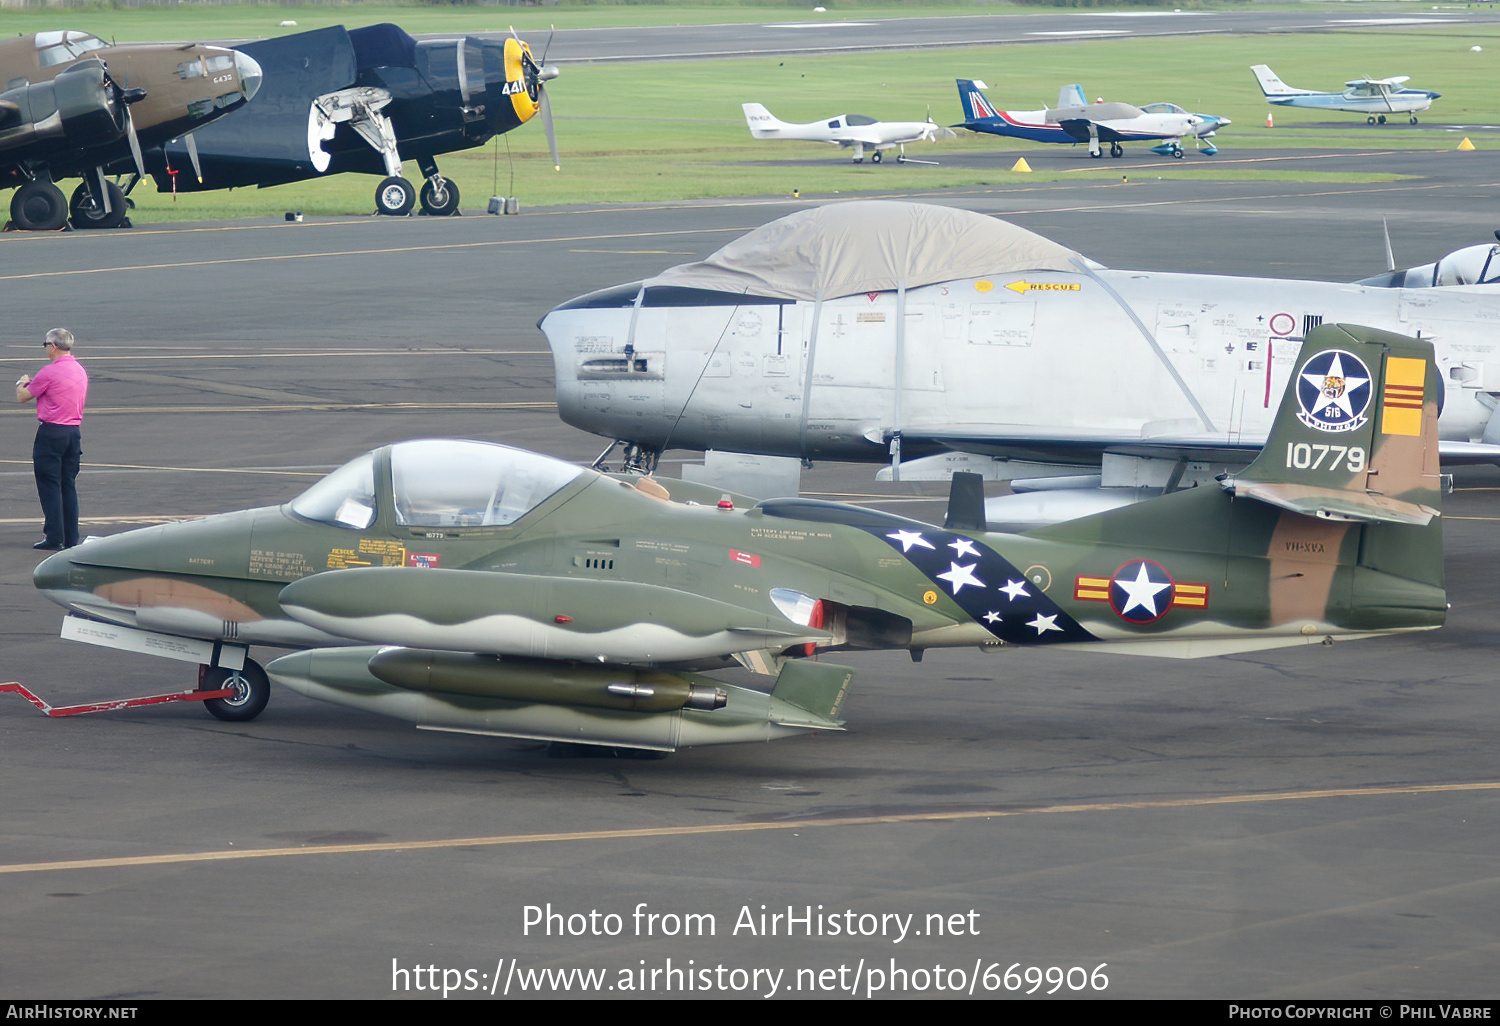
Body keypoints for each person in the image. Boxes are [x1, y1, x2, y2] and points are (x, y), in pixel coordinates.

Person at [16, 328, 88, 550]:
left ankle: (54, 535)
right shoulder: (79, 370)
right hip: (73, 432)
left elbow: (23, 397)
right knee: (68, 484)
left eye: (46, 345)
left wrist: (22, 382)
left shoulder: (49, 372)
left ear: (54, 346)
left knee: (49, 484)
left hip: (51, 432)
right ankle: (71, 537)